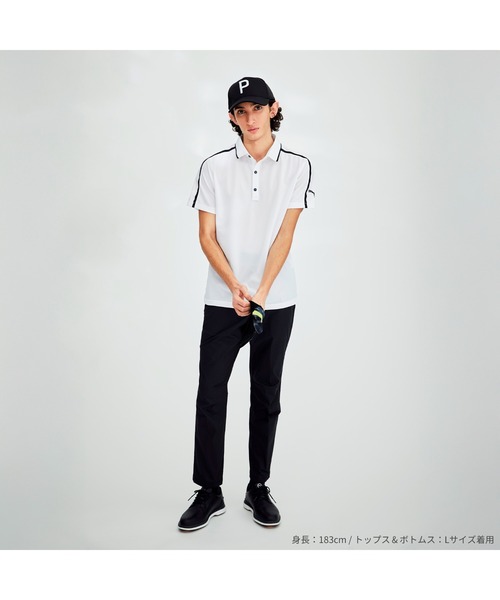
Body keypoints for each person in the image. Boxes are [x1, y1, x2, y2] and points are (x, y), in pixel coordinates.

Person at [178, 76, 315, 531]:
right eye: (241, 111)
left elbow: (285, 234)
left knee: (266, 392)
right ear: (232, 118)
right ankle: (209, 491)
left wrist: (261, 292)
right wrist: (235, 285)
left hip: (276, 299)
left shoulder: (296, 167)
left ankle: (258, 487)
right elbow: (206, 236)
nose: (250, 118)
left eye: (257, 108)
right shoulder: (214, 167)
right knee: (210, 393)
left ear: (273, 109)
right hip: (223, 297)